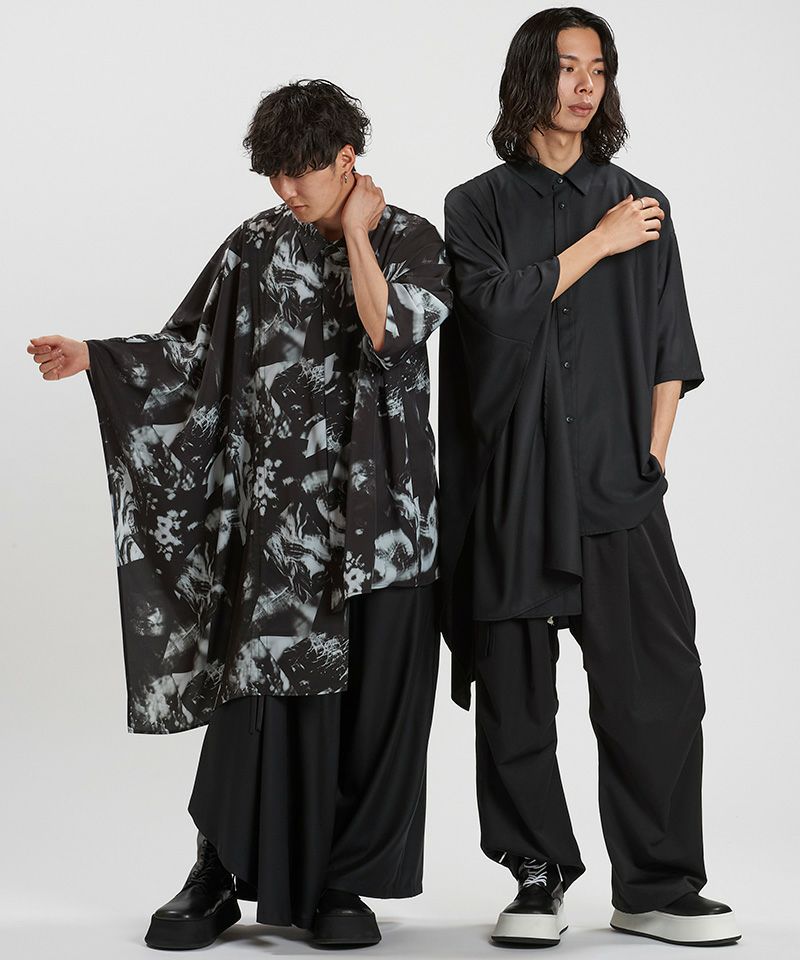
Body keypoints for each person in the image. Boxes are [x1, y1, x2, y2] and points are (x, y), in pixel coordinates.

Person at [28, 78, 451, 950]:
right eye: (274, 175)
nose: (287, 190)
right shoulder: (254, 247)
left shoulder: (412, 241)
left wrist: (358, 234)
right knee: (255, 701)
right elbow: (193, 349)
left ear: (347, 159)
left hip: (387, 524)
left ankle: (341, 884)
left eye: (302, 172)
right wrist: (97, 358)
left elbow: (388, 333)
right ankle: (216, 871)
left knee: (374, 711)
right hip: (282, 525)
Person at [438, 8, 740, 949]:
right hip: (514, 488)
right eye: (567, 66)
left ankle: (656, 885)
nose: (584, 84)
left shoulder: (643, 201)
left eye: (598, 69)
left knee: (659, 684)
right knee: (517, 695)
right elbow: (494, 315)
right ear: (529, 77)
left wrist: (653, 456)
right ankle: (537, 879)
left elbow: (668, 343)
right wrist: (598, 243)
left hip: (618, 484)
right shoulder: (476, 206)